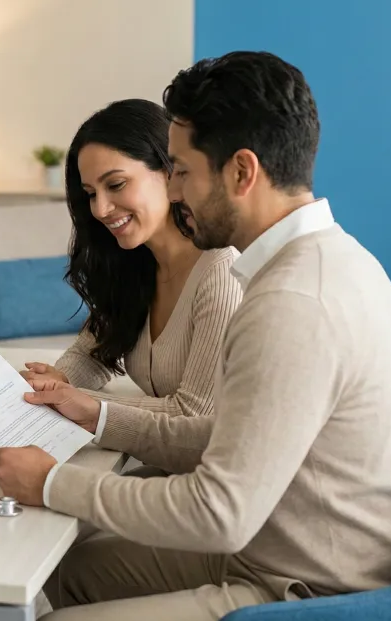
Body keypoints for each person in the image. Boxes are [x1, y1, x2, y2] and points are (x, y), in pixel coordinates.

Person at [0, 51, 391, 620]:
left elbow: (219, 512)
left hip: (314, 588)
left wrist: (51, 484)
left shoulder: (291, 302)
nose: (175, 192)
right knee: (72, 571)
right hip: (272, 544)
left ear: (241, 172)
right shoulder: (323, 260)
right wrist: (90, 418)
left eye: (182, 172)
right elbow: (226, 436)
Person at [20, 99, 242, 419]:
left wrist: (79, 401)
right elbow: (93, 352)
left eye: (116, 184)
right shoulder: (134, 262)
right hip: (156, 459)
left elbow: (193, 416)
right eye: (91, 193)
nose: (100, 209)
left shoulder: (221, 272)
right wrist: (59, 380)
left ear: (170, 173)